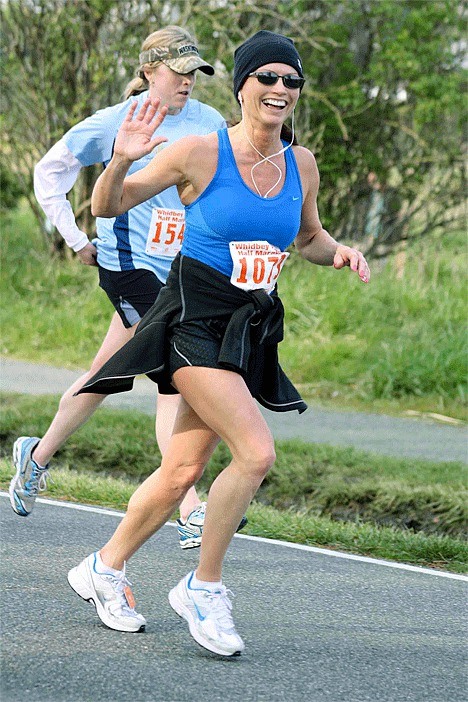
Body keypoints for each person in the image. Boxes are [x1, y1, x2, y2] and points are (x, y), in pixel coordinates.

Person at [68, 30, 371, 656]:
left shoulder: (301, 163)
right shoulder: (201, 152)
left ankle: (104, 566)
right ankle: (203, 588)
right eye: (268, 78)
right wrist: (121, 157)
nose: (281, 90)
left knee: (182, 468)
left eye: (292, 81)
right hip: (191, 319)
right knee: (256, 454)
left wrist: (337, 251)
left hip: (247, 326)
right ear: (241, 87)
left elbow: (307, 236)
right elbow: (108, 204)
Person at [8, 25, 230, 550]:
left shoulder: (211, 122)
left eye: (194, 72)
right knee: (176, 373)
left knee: (106, 374)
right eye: (178, 72)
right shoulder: (113, 122)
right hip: (128, 263)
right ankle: (190, 506)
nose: (187, 82)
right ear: (149, 70)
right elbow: (50, 171)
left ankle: (35, 457)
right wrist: (74, 236)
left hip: (181, 267)